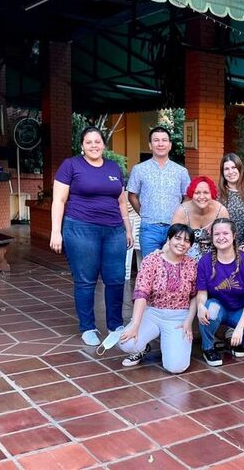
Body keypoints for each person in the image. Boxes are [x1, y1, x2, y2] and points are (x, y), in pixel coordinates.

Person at [50, 126, 133, 346]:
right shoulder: (71, 165)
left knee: (115, 279)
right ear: (82, 146)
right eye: (89, 142)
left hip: (114, 230)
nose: (94, 146)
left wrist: (128, 228)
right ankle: (88, 327)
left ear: (104, 145)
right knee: (86, 280)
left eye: (98, 141)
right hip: (80, 229)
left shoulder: (114, 167)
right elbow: (58, 200)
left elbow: (122, 201)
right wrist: (56, 231)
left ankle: (115, 324)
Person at [118, 224, 197, 372]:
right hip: (153, 313)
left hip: (178, 317)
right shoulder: (152, 260)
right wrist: (135, 324)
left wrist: (188, 321)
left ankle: (170, 345)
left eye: (186, 241)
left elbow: (195, 296)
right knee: (127, 343)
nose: (181, 243)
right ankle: (143, 348)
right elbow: (141, 293)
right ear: (168, 239)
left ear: (190, 245)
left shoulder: (192, 265)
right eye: (177, 238)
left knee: (175, 367)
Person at [197, 218, 244, 367]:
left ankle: (236, 342)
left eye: (225, 233)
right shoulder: (205, 261)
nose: (221, 237)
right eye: (216, 234)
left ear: (233, 236)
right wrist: (200, 306)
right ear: (212, 237)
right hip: (219, 306)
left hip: (239, 310)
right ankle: (208, 348)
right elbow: (202, 292)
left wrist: (239, 329)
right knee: (209, 309)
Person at [127, 126, 190, 258]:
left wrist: (178, 217)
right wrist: (143, 213)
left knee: (173, 268)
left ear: (170, 145)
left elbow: (187, 197)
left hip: (175, 229)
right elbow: (132, 195)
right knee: (150, 269)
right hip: (149, 228)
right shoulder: (139, 169)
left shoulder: (181, 171)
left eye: (164, 140)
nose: (160, 144)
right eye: (156, 140)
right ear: (150, 145)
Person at [171, 176, 229, 261]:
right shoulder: (182, 211)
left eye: (206, 192)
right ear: (192, 194)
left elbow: (228, 238)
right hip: (185, 259)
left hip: (214, 259)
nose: (201, 197)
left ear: (211, 193)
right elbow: (171, 240)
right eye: (197, 193)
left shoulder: (221, 211)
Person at [218, 153, 244, 248]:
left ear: (240, 169)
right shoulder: (217, 194)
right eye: (226, 169)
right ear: (222, 172)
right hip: (225, 246)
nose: (230, 172)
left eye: (234, 167)